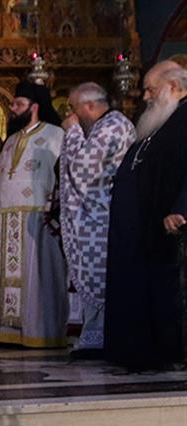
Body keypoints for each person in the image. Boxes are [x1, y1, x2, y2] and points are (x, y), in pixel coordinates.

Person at [106, 60, 187, 371]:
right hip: (140, 229)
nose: (145, 98)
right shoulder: (159, 122)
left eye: (151, 90)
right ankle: (139, 349)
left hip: (166, 228)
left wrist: (181, 207)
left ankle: (169, 351)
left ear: (174, 87)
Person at [0, 81, 68, 348]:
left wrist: (59, 209)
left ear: (34, 107)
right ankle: (7, 334)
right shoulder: (10, 141)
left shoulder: (55, 135)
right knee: (4, 279)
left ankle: (40, 332)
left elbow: (65, 175)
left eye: (18, 104)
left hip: (37, 219)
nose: (12, 108)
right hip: (4, 219)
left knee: (37, 278)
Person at [58, 82, 136, 358]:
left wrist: (72, 131)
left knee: (101, 281)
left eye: (73, 108)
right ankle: (93, 337)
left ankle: (101, 338)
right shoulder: (105, 126)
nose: (71, 115)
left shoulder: (113, 125)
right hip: (97, 218)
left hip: (104, 219)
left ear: (89, 106)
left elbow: (83, 169)